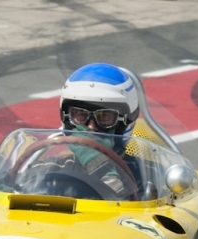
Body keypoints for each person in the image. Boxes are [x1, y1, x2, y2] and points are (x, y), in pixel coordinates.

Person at [56, 63, 141, 198]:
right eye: (81, 115)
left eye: (104, 116)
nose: (91, 127)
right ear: (67, 117)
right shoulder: (53, 166)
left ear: (125, 122)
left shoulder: (142, 175)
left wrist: (101, 167)